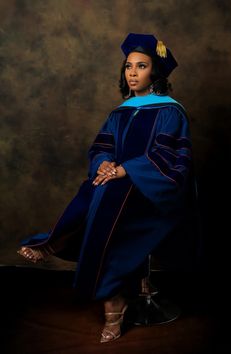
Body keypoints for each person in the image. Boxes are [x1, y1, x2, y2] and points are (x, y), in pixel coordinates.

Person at [17, 33, 197, 343]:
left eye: (141, 66)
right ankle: (109, 297)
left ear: (155, 73)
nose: (132, 72)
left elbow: (170, 158)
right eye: (128, 66)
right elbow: (101, 147)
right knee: (99, 185)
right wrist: (103, 164)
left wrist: (126, 169)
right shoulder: (120, 113)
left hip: (156, 191)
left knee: (108, 193)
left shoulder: (169, 111)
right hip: (117, 184)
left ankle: (60, 245)